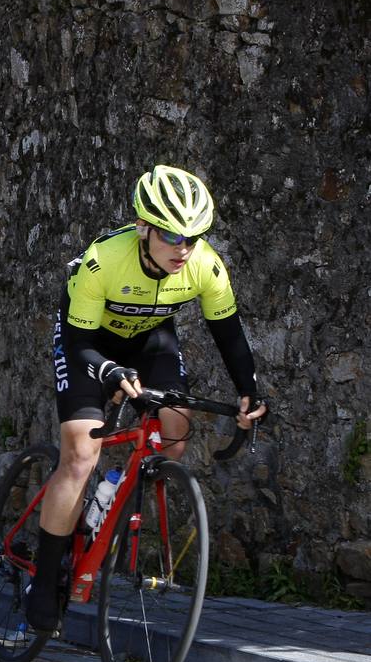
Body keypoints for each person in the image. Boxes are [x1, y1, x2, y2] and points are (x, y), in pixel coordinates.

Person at [28, 165, 268, 632]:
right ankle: (44, 577)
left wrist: (248, 394)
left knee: (174, 433)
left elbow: (229, 335)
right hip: (88, 342)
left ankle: (110, 489)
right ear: (143, 228)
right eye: (173, 237)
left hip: (149, 338)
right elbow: (78, 345)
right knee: (80, 453)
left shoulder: (204, 265)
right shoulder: (104, 260)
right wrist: (109, 371)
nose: (185, 249)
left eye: (194, 238)